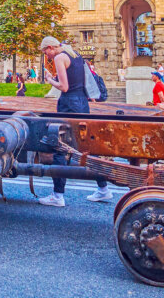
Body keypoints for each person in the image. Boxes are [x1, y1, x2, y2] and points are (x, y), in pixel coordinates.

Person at [37, 36, 112, 206]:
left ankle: (57, 196)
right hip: (82, 103)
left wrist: (49, 80)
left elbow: (64, 87)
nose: (47, 56)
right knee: (87, 147)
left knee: (59, 147)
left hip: (68, 104)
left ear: (50, 47)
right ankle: (103, 189)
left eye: (45, 52)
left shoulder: (59, 57)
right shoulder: (76, 55)